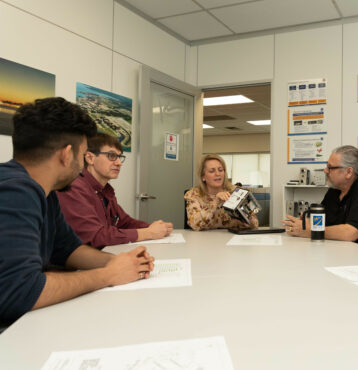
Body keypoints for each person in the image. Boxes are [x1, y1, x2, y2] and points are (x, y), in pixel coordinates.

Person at [0, 97, 154, 327]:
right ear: (66, 154)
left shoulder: (47, 191)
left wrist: (120, 262)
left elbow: (69, 250)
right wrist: (107, 275)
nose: (83, 165)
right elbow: (20, 292)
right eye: (83, 155)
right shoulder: (16, 190)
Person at [57, 133, 173, 249]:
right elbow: (96, 236)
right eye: (111, 156)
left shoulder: (105, 190)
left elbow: (125, 222)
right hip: (75, 265)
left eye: (119, 157)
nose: (119, 163)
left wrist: (153, 227)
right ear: (90, 158)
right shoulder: (74, 187)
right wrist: (148, 233)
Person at [282, 145, 358, 248]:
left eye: (330, 167)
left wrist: (309, 231)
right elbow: (320, 220)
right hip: (342, 249)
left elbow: (351, 233)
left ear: (349, 172)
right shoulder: (335, 189)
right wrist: (306, 223)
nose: (325, 170)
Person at [185, 154, 259, 230]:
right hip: (205, 239)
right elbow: (196, 225)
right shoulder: (193, 194)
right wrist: (215, 202)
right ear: (203, 177)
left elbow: (255, 224)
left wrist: (246, 219)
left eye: (220, 170)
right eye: (212, 171)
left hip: (233, 238)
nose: (218, 174)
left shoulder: (236, 192)